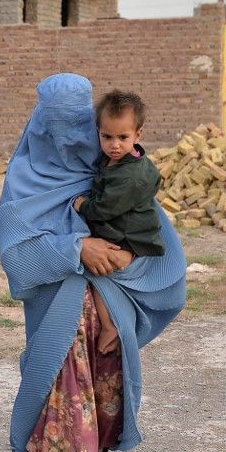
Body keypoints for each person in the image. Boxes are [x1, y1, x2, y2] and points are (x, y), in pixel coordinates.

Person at [0, 73, 185, 452]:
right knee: (71, 419)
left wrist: (118, 269)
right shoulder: (25, 179)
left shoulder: (115, 173)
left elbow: (159, 257)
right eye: (59, 124)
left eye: (81, 124)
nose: (72, 137)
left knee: (98, 419)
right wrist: (73, 248)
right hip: (60, 329)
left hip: (108, 326)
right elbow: (17, 258)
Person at [72, 90, 165, 355]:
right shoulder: (117, 160)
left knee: (97, 270)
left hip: (126, 240)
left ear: (138, 135)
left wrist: (82, 205)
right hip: (126, 232)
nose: (115, 144)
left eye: (123, 137)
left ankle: (110, 325)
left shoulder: (129, 176)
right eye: (107, 137)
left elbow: (103, 209)